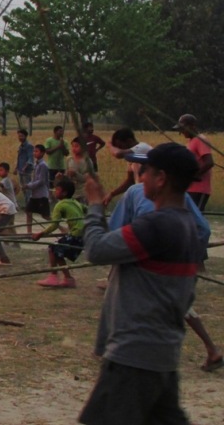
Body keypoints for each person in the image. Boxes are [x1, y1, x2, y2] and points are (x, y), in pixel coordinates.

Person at [78, 143, 203, 424]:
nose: (140, 176)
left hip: (133, 358)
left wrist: (96, 206)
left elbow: (96, 250)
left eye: (145, 171)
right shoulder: (188, 227)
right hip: (162, 356)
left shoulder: (155, 226)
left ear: (161, 178)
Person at [107, 155, 222, 374]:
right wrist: (189, 257)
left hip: (143, 263)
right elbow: (203, 230)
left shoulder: (134, 193)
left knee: (124, 298)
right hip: (164, 264)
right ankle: (211, 349)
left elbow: (113, 233)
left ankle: (117, 352)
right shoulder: (180, 197)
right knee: (178, 307)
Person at [32, 179, 86, 288]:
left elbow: (54, 225)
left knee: (53, 248)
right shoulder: (75, 202)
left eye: (57, 190)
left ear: (64, 193)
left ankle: (53, 276)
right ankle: (68, 279)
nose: (54, 191)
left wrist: (40, 234)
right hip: (83, 235)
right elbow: (87, 209)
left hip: (76, 234)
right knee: (57, 251)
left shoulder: (60, 205)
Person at [102, 127, 152, 206]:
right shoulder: (133, 156)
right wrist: (112, 194)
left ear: (129, 141)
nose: (120, 149)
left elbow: (118, 154)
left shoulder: (142, 147)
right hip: (141, 194)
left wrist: (110, 145)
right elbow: (130, 181)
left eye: (120, 146)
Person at [175, 113, 214, 212]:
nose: (182, 132)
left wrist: (193, 176)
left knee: (196, 218)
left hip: (199, 188)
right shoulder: (191, 141)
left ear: (192, 126)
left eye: (183, 128)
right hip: (190, 188)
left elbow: (209, 162)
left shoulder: (200, 140)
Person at [23, 144, 51, 235]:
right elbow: (34, 179)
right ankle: (29, 232)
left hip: (41, 194)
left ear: (42, 153)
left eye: (37, 151)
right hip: (34, 194)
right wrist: (28, 185)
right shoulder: (36, 164)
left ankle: (61, 227)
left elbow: (41, 181)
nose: (34, 153)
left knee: (46, 216)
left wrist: (29, 186)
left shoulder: (43, 165)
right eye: (34, 151)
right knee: (28, 211)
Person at [65, 137, 95, 201]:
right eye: (72, 146)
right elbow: (67, 175)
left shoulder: (87, 161)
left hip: (83, 193)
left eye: (76, 146)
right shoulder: (69, 159)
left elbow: (87, 178)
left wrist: (76, 174)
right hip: (72, 192)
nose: (74, 148)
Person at [15, 129, 34, 202]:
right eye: (19, 136)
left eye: (22, 136)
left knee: (27, 186)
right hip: (20, 169)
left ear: (25, 136)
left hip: (26, 170)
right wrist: (16, 168)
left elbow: (30, 158)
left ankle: (29, 203)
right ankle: (27, 202)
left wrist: (25, 167)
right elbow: (19, 158)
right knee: (23, 187)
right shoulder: (21, 146)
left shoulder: (29, 146)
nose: (20, 138)